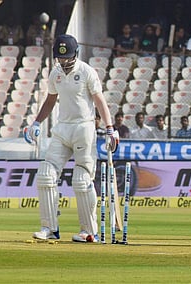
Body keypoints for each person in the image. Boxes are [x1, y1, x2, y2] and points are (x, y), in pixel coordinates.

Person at [23, 34, 119, 242]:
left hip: (84, 128)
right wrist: (37, 122)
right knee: (46, 174)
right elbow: (50, 100)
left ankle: (88, 231)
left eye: (68, 58)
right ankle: (49, 228)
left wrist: (110, 128)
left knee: (82, 179)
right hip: (62, 128)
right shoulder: (55, 73)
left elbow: (100, 101)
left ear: (76, 54)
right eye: (60, 58)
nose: (64, 62)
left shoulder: (86, 72)